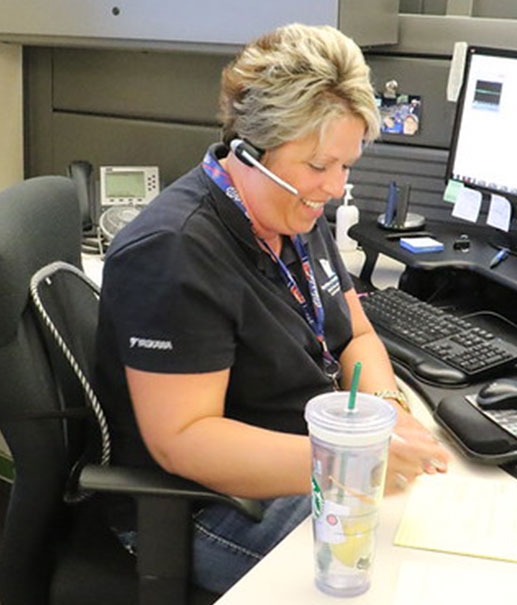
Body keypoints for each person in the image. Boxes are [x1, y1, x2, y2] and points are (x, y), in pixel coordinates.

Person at [94, 22, 449, 594]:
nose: (334, 187)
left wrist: (386, 411)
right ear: (249, 151)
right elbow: (183, 440)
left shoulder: (293, 211)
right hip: (209, 507)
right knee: (400, 578)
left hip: (307, 461)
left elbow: (354, 335)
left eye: (346, 165)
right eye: (319, 166)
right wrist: (348, 458)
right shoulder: (174, 253)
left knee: (433, 526)